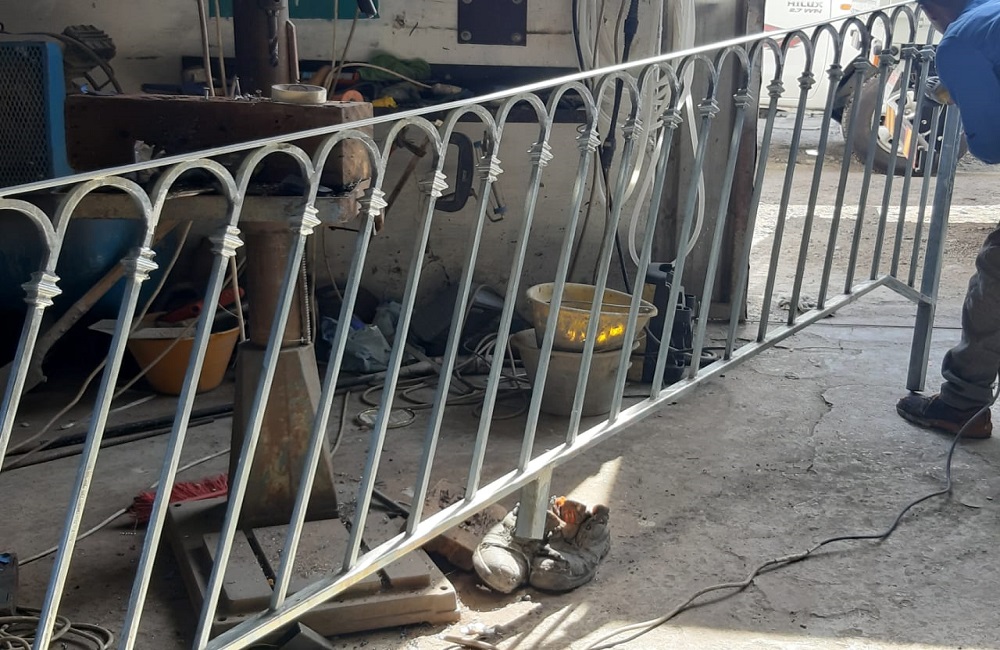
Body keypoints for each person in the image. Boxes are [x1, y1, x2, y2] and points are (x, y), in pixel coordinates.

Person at [896, 0, 1000, 438]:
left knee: (997, 275)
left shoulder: (961, 41)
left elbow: (991, 145)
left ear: (931, 10)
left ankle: (962, 404)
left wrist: (963, 97)